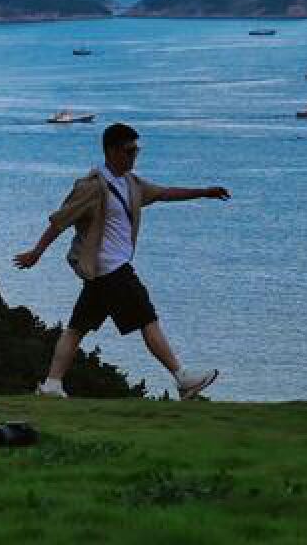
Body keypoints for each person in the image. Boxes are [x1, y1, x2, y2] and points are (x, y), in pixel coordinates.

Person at [13, 122, 231, 400]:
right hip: (112, 269)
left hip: (101, 275)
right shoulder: (91, 187)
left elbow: (164, 193)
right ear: (111, 151)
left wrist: (203, 192)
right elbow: (60, 221)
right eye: (129, 151)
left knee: (76, 328)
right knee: (147, 319)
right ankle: (182, 377)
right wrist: (36, 253)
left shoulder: (131, 183)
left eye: (136, 150)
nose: (134, 156)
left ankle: (52, 384)